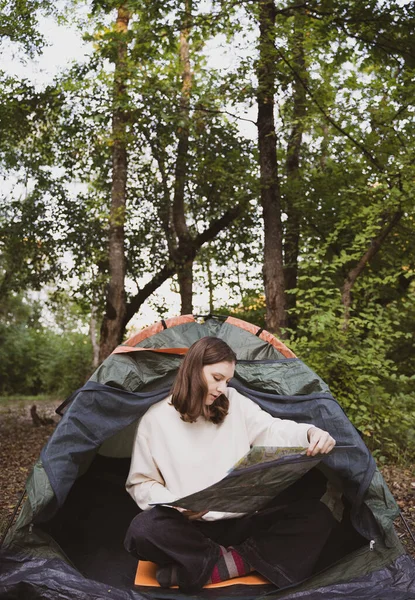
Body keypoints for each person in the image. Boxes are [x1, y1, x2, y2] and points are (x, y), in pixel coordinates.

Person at [124, 336, 336, 593]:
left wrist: (310, 433)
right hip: (190, 531)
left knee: (317, 515)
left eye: (227, 381)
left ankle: (214, 568)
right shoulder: (154, 420)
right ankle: (240, 560)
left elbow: (272, 429)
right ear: (193, 370)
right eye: (217, 378)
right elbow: (141, 483)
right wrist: (177, 505)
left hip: (242, 523)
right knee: (142, 530)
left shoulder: (235, 403)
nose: (222, 388)